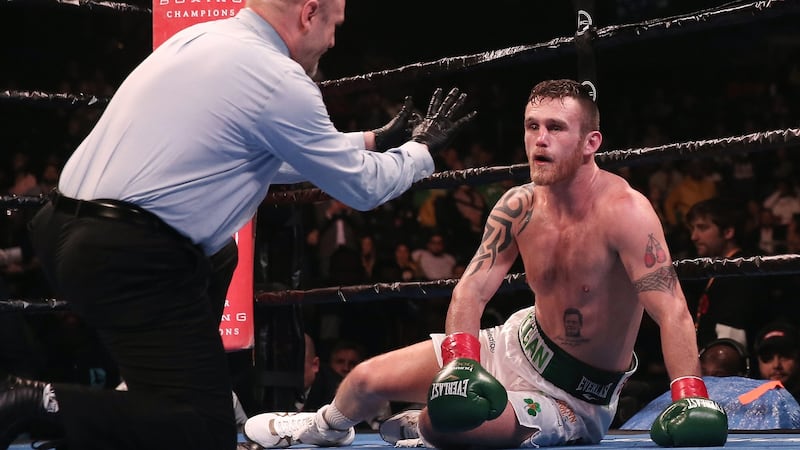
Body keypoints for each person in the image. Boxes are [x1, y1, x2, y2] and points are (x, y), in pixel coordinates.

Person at [4, 0, 477, 449]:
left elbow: (264, 153)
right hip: (126, 252)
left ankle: (147, 401)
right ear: (309, 14)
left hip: (63, 227)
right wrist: (421, 152)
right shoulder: (279, 79)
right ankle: (36, 402)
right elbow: (363, 189)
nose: (334, 41)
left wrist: (371, 139)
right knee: (201, 434)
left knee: (219, 253)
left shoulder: (203, 39)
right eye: (335, 24)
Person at [242, 79, 728, 448]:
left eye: (556, 128)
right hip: (514, 344)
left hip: (572, 398)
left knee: (446, 421)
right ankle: (325, 429)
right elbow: (470, 293)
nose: (540, 140)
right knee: (366, 379)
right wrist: (462, 366)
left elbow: (672, 310)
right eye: (532, 127)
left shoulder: (626, 213)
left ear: (590, 143)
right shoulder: (518, 206)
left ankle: (427, 426)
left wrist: (689, 395)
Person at [684, 197, 760, 350]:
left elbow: (732, 335)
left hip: (723, 366)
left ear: (728, 232)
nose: (694, 237)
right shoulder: (716, 270)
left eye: (702, 228)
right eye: (693, 229)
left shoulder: (740, 271)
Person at [754, 321, 800, 402]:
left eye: (785, 356)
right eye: (768, 357)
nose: (776, 365)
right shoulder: (746, 404)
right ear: (758, 361)